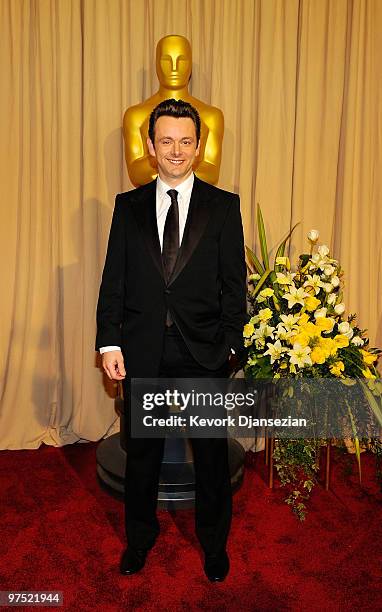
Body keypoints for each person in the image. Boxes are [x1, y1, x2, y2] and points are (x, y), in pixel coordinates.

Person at [96, 98, 247, 581]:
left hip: (203, 355)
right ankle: (139, 540)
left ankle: (214, 544)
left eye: (185, 142)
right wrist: (109, 343)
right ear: (150, 144)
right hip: (143, 352)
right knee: (141, 456)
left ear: (199, 146)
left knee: (210, 457)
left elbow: (234, 287)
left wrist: (229, 347)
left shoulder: (224, 207)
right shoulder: (127, 207)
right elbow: (113, 281)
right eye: (166, 141)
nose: (176, 151)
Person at [123, 34, 224, 186]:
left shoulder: (211, 116)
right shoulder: (135, 115)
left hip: (199, 205)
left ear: (189, 65)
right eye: (166, 60)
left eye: (181, 60)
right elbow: (136, 174)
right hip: (149, 204)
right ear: (157, 64)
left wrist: (163, 166)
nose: (174, 67)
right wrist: (181, 166)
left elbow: (211, 173)